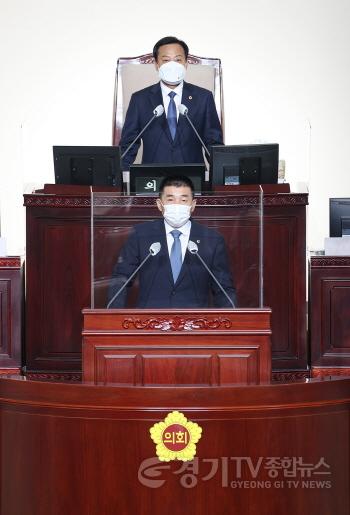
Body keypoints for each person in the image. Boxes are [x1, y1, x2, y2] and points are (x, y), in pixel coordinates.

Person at [107, 175, 236, 308]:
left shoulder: (212, 240)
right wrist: (112, 319)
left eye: (183, 200)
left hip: (196, 324)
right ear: (159, 204)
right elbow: (121, 279)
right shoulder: (140, 235)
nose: (177, 205)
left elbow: (223, 289)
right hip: (148, 323)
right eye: (170, 199)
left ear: (193, 205)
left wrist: (231, 324)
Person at [120, 36, 223, 171]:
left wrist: (222, 176)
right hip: (152, 179)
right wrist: (117, 178)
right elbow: (128, 145)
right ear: (156, 64)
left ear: (186, 64)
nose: (172, 65)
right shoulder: (140, 100)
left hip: (193, 180)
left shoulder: (203, 98)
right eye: (166, 60)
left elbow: (213, 144)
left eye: (178, 60)